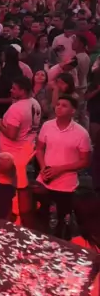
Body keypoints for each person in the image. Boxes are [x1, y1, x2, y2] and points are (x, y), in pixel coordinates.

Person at [35, 95, 92, 237]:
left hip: (66, 185)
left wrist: (60, 169)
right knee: (40, 217)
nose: (59, 107)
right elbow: (39, 149)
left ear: (73, 111)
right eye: (58, 104)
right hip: (45, 180)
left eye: (64, 105)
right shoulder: (47, 126)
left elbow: (85, 161)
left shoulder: (81, 133)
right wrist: (43, 167)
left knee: (62, 221)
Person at [0, 76, 41, 192]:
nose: (11, 90)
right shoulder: (35, 103)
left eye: (14, 88)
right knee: (21, 183)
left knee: (11, 188)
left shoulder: (17, 109)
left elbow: (12, 134)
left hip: (11, 154)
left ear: (22, 91)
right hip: (26, 149)